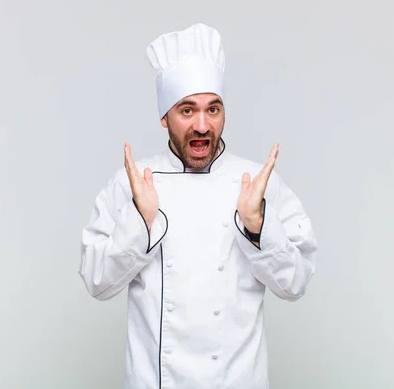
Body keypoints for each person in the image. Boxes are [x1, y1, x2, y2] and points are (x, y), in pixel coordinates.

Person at [79, 23, 318, 389]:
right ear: (164, 117)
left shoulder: (255, 181)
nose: (202, 125)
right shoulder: (133, 182)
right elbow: (97, 281)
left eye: (213, 109)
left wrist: (257, 226)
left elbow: (296, 282)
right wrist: (140, 222)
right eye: (187, 111)